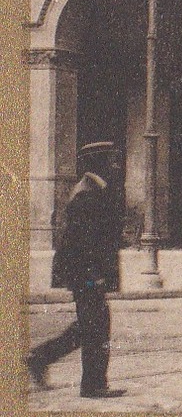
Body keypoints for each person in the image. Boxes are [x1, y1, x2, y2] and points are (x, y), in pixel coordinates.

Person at [27, 141, 127, 398]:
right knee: (96, 325)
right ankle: (92, 385)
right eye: (111, 159)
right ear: (99, 162)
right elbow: (84, 243)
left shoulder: (93, 190)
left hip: (86, 274)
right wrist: (96, 277)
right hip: (88, 274)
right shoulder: (88, 194)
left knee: (88, 325)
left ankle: (39, 357)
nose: (116, 165)